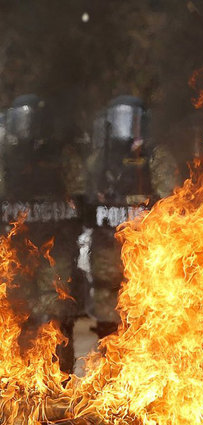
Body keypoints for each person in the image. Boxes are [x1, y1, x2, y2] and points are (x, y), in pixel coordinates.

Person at [1, 94, 84, 373]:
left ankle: (57, 377)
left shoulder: (62, 157)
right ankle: (20, 380)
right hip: (16, 248)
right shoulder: (6, 157)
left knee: (56, 312)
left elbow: (79, 198)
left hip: (54, 246)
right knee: (16, 312)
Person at [84, 95, 179, 339]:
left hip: (143, 251)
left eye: (132, 120)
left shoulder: (157, 157)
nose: (125, 127)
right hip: (107, 250)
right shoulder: (99, 159)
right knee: (108, 324)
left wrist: (134, 206)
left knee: (142, 318)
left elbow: (169, 199)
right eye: (120, 120)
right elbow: (84, 197)